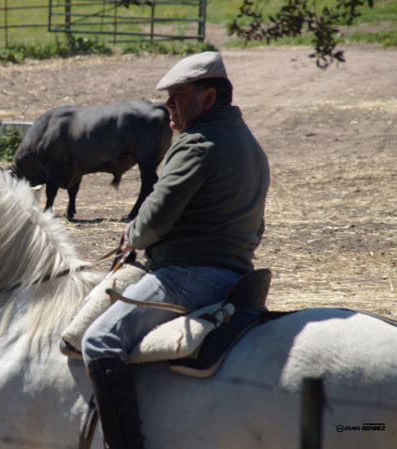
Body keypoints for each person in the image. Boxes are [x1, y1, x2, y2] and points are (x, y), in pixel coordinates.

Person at [81, 51, 270, 449]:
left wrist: (132, 234)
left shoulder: (197, 143)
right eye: (168, 96)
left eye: (178, 95)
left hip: (187, 275)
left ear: (208, 98)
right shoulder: (251, 146)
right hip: (238, 276)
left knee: (99, 340)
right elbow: (258, 228)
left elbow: (154, 221)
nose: (168, 104)